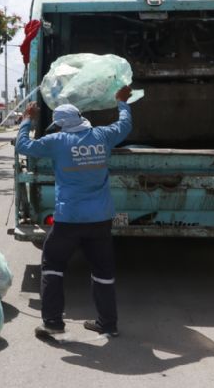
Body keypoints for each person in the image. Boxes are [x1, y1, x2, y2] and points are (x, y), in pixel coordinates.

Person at [15, 85, 132, 340]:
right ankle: (108, 323)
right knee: (103, 271)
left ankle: (53, 323)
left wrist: (27, 119)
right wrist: (122, 102)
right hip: (100, 219)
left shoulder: (57, 141)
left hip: (69, 219)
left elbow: (23, 146)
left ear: (60, 125)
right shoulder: (102, 136)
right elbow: (124, 125)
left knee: (53, 266)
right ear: (80, 118)